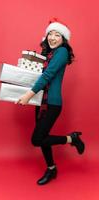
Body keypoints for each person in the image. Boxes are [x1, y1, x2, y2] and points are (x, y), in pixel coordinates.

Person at [16, 18, 85, 185]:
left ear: (63, 39)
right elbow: (36, 74)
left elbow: (47, 76)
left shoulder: (62, 52)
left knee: (37, 139)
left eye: (57, 35)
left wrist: (28, 95)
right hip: (42, 102)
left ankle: (71, 139)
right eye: (50, 34)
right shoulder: (47, 54)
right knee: (43, 137)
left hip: (52, 103)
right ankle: (52, 169)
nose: (52, 38)